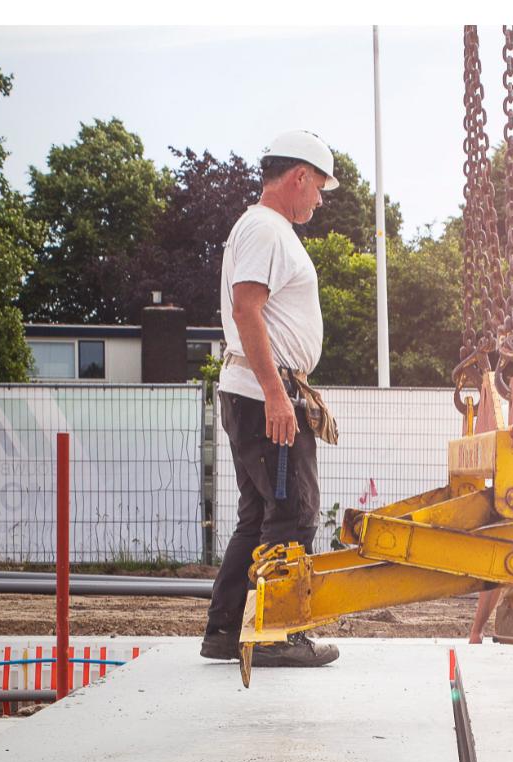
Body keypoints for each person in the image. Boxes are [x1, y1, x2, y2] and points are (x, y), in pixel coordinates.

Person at [200, 130, 342, 668]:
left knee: (260, 515)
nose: (320, 200)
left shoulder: (263, 229)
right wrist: (276, 394)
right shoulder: (265, 228)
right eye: (319, 188)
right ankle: (280, 635)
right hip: (266, 396)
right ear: (299, 177)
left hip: (260, 392)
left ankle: (223, 631)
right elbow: (245, 310)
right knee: (292, 511)